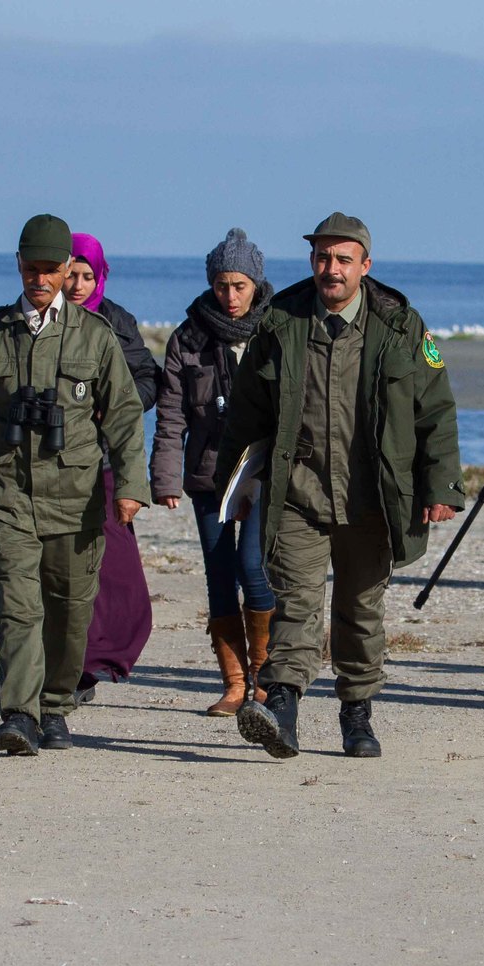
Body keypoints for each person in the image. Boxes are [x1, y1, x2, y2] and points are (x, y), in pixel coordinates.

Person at [215, 213, 464, 758]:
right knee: (296, 602)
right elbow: (246, 411)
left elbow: (435, 409)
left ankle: (357, 712)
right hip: (298, 491)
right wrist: (234, 485)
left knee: (360, 608)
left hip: (372, 495)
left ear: (365, 266)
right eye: (323, 257)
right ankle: (281, 706)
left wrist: (440, 486)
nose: (331, 269)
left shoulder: (401, 325)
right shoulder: (280, 321)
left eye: (343, 259)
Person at [0, 214, 150, 755]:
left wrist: (130, 487)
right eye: (31, 269)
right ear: (18, 266)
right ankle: (18, 713)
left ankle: (56, 704)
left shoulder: (94, 335)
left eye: (51, 270)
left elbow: (124, 417)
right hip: (8, 491)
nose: (39, 279)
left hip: (76, 498)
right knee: (19, 606)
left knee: (71, 606)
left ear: (68, 270)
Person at [152, 228, 278, 715]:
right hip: (208, 473)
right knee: (219, 574)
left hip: (264, 470)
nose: (231, 296)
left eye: (240, 285)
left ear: (255, 283)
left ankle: (265, 678)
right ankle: (234, 682)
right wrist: (164, 479)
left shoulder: (278, 328)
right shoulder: (188, 337)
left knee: (253, 565)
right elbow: (170, 416)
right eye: (223, 285)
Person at [64, 233, 159, 702]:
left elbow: (148, 379)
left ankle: (99, 661)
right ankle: (69, 667)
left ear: (101, 275)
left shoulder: (118, 321)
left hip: (104, 461)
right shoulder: (42, 319)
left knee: (117, 569)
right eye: (70, 275)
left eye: (87, 276)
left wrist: (114, 407)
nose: (77, 285)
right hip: (52, 466)